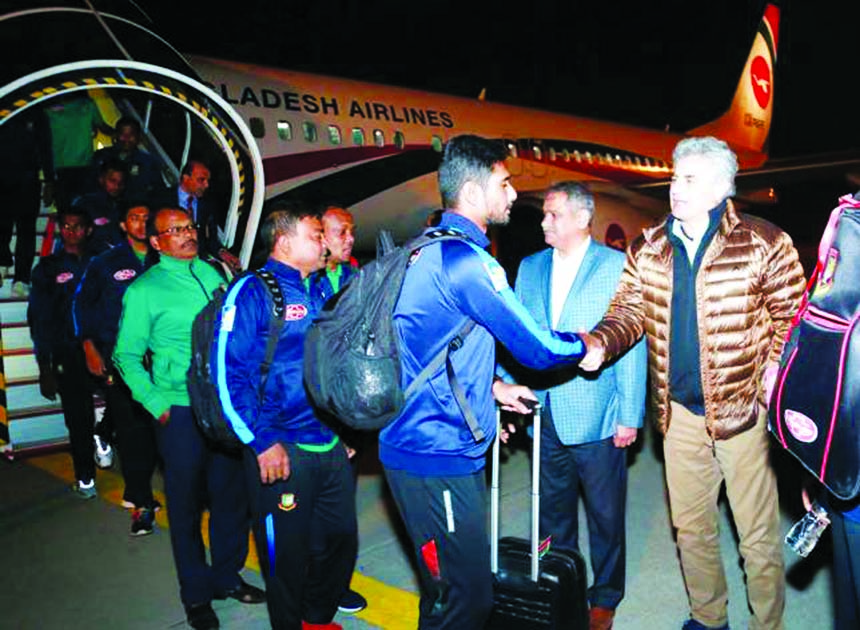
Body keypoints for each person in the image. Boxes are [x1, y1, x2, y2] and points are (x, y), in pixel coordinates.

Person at [579, 136, 806, 630]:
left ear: (721, 188)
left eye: (689, 178)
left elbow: (794, 318)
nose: (675, 188)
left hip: (743, 414)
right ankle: (708, 617)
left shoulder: (763, 241)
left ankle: (768, 624)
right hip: (678, 415)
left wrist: (773, 372)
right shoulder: (650, 246)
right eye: (675, 176)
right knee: (691, 528)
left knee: (756, 536)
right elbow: (629, 311)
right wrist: (600, 341)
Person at [379, 134, 587, 629]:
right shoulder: (467, 262)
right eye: (505, 181)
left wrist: (493, 387)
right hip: (435, 454)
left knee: (444, 591)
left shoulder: (424, 249)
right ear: (473, 193)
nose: (514, 193)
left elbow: (432, 346)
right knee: (466, 600)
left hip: (425, 447)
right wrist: (588, 341)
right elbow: (537, 347)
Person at [113, 206, 264, 629]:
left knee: (231, 499)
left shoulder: (215, 274)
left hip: (222, 407)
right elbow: (124, 356)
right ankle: (196, 597)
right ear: (157, 242)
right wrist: (156, 403)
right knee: (185, 507)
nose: (186, 234)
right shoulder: (145, 290)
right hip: (179, 409)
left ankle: (226, 578)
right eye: (174, 230)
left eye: (189, 226)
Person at [509, 182, 646, 630]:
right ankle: (557, 583)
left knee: (605, 514)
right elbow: (518, 337)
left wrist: (630, 414)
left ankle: (605, 594)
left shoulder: (616, 267)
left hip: (598, 415)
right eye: (544, 215)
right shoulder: (529, 267)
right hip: (543, 411)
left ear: (583, 219)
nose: (544, 222)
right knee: (551, 511)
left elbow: (633, 343)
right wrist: (509, 387)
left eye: (553, 215)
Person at [217, 203, 357, 630]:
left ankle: (316, 618)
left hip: (327, 440)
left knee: (340, 541)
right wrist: (260, 441)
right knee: (285, 555)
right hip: (279, 445)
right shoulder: (252, 292)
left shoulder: (315, 288)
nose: (323, 242)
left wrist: (344, 427)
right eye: (315, 234)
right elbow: (228, 374)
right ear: (283, 242)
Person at [73, 199, 160, 535]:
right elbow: (82, 304)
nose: (141, 223)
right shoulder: (105, 262)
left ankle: (141, 490)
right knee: (131, 428)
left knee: (157, 428)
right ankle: (139, 498)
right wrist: (88, 347)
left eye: (145, 218)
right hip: (121, 359)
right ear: (123, 225)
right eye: (134, 218)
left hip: (162, 361)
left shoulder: (163, 259)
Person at [28, 206, 101, 497]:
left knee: (129, 405)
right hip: (67, 353)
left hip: (104, 349)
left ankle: (104, 434)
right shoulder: (47, 268)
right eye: (67, 226)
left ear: (88, 230)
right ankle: (86, 478)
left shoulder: (101, 263)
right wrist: (44, 365)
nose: (72, 232)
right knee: (78, 416)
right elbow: (39, 317)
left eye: (78, 226)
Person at [0, 107, 53, 296]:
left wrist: (49, 180)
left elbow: (45, 146)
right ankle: (3, 261)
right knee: (2, 224)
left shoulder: (36, 112)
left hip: (28, 180)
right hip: (1, 178)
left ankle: (22, 279)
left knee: (27, 230)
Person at [160, 160, 241, 271]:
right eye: (201, 180)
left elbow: (211, 239)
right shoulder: (161, 199)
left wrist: (223, 253)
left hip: (199, 263)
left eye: (207, 181)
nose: (206, 185)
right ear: (185, 178)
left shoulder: (209, 204)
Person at [91, 116, 162, 199]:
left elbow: (158, 191)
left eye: (131, 134)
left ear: (138, 137)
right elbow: (91, 184)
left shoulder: (148, 162)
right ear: (115, 136)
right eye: (122, 134)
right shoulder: (101, 156)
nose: (127, 138)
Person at [72, 158, 127, 254]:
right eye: (112, 181)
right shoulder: (84, 203)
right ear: (101, 179)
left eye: (120, 183)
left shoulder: (124, 206)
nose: (116, 186)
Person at [316, 204, 358, 302]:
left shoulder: (356, 277)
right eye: (342, 232)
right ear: (320, 236)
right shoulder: (306, 279)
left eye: (352, 232)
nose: (351, 239)